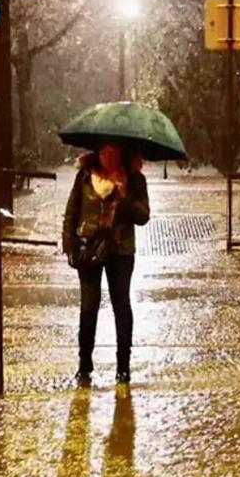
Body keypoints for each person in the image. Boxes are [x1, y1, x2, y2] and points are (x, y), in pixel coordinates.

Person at [62, 141, 150, 387]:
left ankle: (123, 366)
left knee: (121, 305)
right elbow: (72, 211)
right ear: (97, 153)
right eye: (104, 151)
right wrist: (69, 245)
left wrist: (123, 199)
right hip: (88, 247)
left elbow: (143, 215)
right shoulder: (85, 177)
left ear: (121, 153)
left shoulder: (134, 180)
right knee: (88, 306)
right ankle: (84, 363)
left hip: (120, 250)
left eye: (113, 152)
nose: (108, 156)